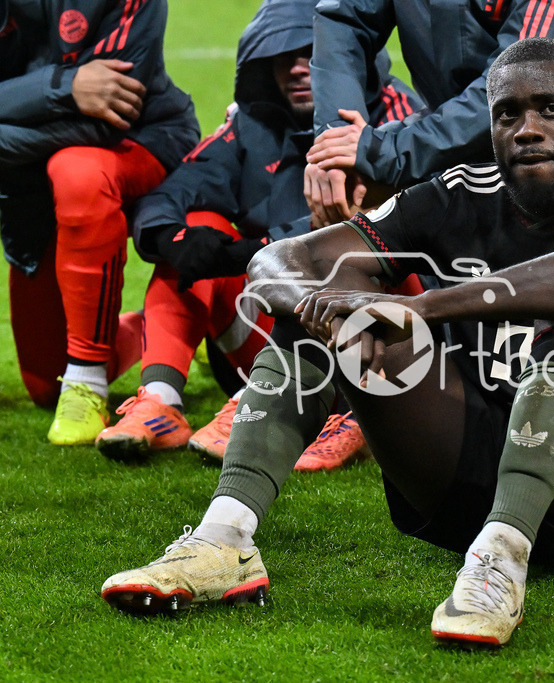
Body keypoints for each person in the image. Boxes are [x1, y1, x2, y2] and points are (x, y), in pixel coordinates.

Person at [100, 38, 554, 647]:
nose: (526, 129)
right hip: (474, 473)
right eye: (508, 114)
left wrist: (420, 307)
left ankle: (502, 558)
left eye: (550, 109)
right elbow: (281, 261)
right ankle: (223, 537)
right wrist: (335, 313)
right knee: (328, 303)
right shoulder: (459, 190)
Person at [93, 0, 421, 469]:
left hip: (392, 342)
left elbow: (389, 227)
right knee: (200, 226)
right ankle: (161, 401)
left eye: (311, 53)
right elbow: (180, 187)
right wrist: (171, 239)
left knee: (369, 237)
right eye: (282, 56)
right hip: (271, 329)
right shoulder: (253, 121)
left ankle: (346, 414)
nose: (297, 68)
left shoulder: (397, 117)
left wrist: (248, 252)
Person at [0, 0, 199, 444]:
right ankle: (144, 331)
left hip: (142, 143)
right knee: (42, 382)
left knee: (77, 171)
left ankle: (88, 380)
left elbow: (110, 120)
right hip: (29, 179)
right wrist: (64, 87)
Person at [303, 0, 554, 228]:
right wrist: (335, 142)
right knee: (343, 196)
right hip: (441, 151)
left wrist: (385, 152)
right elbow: (343, 19)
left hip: (550, 170)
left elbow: (520, 80)